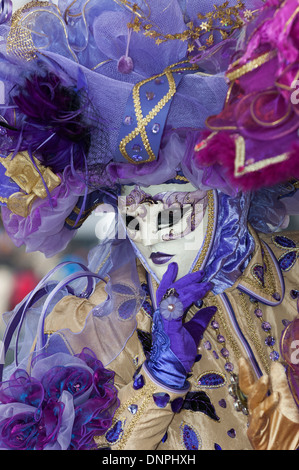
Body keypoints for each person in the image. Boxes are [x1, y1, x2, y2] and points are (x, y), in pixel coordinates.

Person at [0, 0, 298, 451]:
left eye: (178, 209)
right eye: (137, 212)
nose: (156, 233)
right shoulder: (96, 329)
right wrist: (160, 382)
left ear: (230, 193)